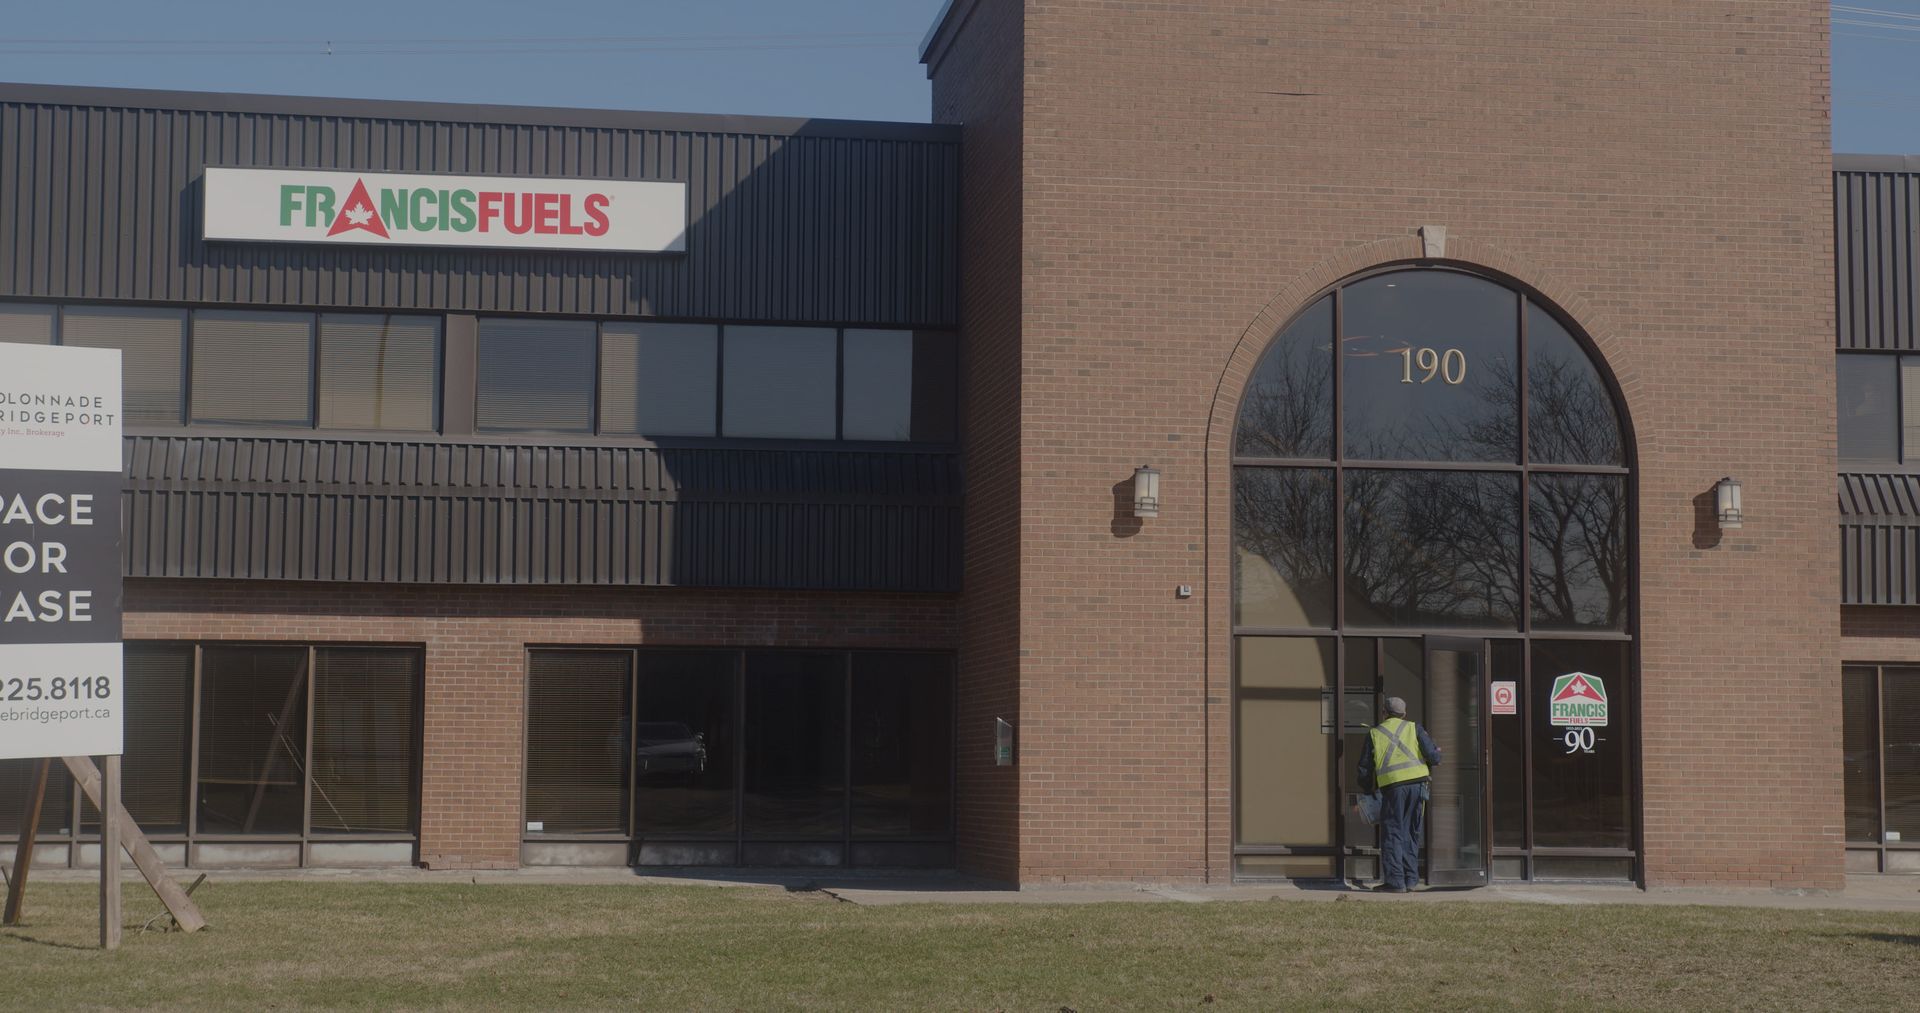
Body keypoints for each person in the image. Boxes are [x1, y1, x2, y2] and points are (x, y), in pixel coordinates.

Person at [1358, 696, 1442, 893]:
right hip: (1418, 786)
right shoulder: (1415, 728)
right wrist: (1438, 754)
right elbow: (1433, 757)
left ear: (1384, 713)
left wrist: (1367, 790)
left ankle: (1395, 882)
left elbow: (1364, 769)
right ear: (1404, 714)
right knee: (1411, 833)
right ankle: (1411, 880)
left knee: (1393, 833)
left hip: (1394, 788)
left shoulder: (1374, 734)